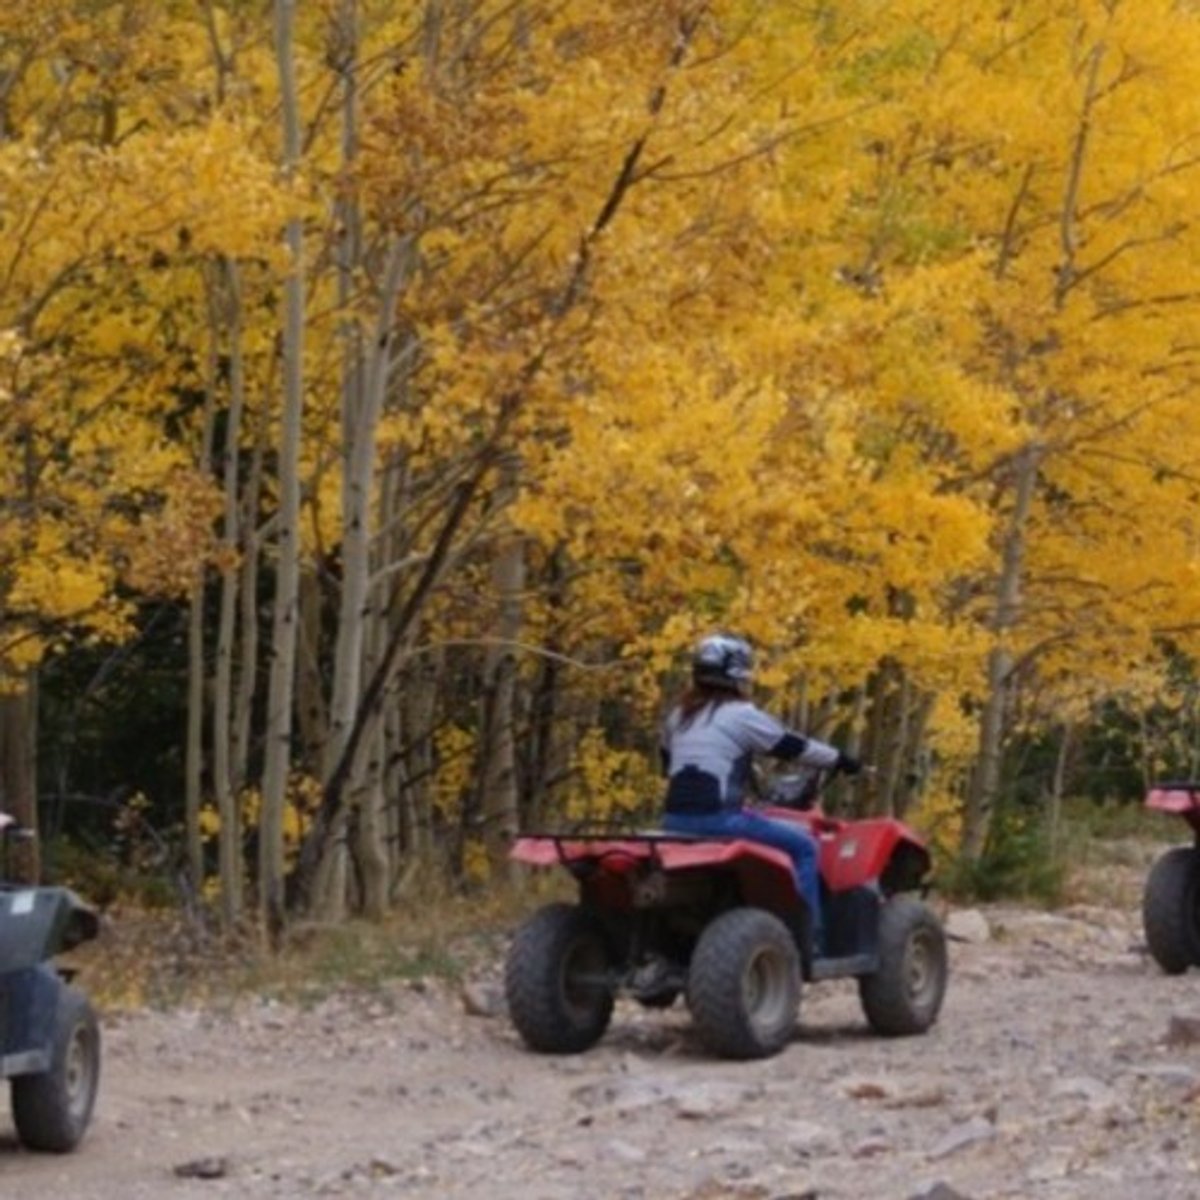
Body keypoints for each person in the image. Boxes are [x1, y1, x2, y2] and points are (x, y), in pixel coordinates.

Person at [660, 632, 861, 954]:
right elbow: (792, 746)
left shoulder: (678, 716)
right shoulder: (742, 715)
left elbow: (667, 764)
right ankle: (809, 938)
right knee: (805, 847)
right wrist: (841, 759)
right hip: (719, 821)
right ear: (739, 675)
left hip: (672, 822)